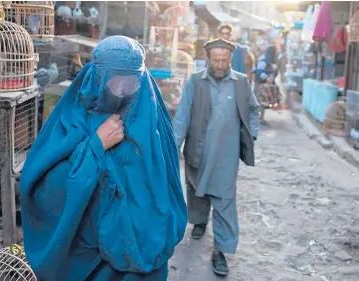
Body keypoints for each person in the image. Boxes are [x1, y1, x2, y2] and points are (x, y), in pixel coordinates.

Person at [20, 36, 187, 281]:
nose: (121, 92)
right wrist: (95, 147)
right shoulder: (74, 117)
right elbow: (44, 186)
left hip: (138, 263)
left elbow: (167, 192)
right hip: (88, 260)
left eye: (130, 83)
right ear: (96, 78)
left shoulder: (152, 121)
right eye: (114, 81)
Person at [173, 38, 261, 276]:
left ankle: (220, 251)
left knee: (224, 201)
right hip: (197, 150)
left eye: (225, 61)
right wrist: (173, 146)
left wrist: (251, 134)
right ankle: (200, 221)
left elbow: (254, 109)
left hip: (227, 155)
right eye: (216, 61)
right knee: (196, 189)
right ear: (208, 59)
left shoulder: (242, 83)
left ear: (230, 60)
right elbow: (182, 116)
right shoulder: (195, 82)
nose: (221, 65)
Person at [253, 45, 278, 123]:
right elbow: (259, 71)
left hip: (265, 85)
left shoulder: (271, 61)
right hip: (260, 84)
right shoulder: (263, 60)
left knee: (263, 102)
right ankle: (257, 118)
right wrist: (266, 78)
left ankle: (261, 118)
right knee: (259, 101)